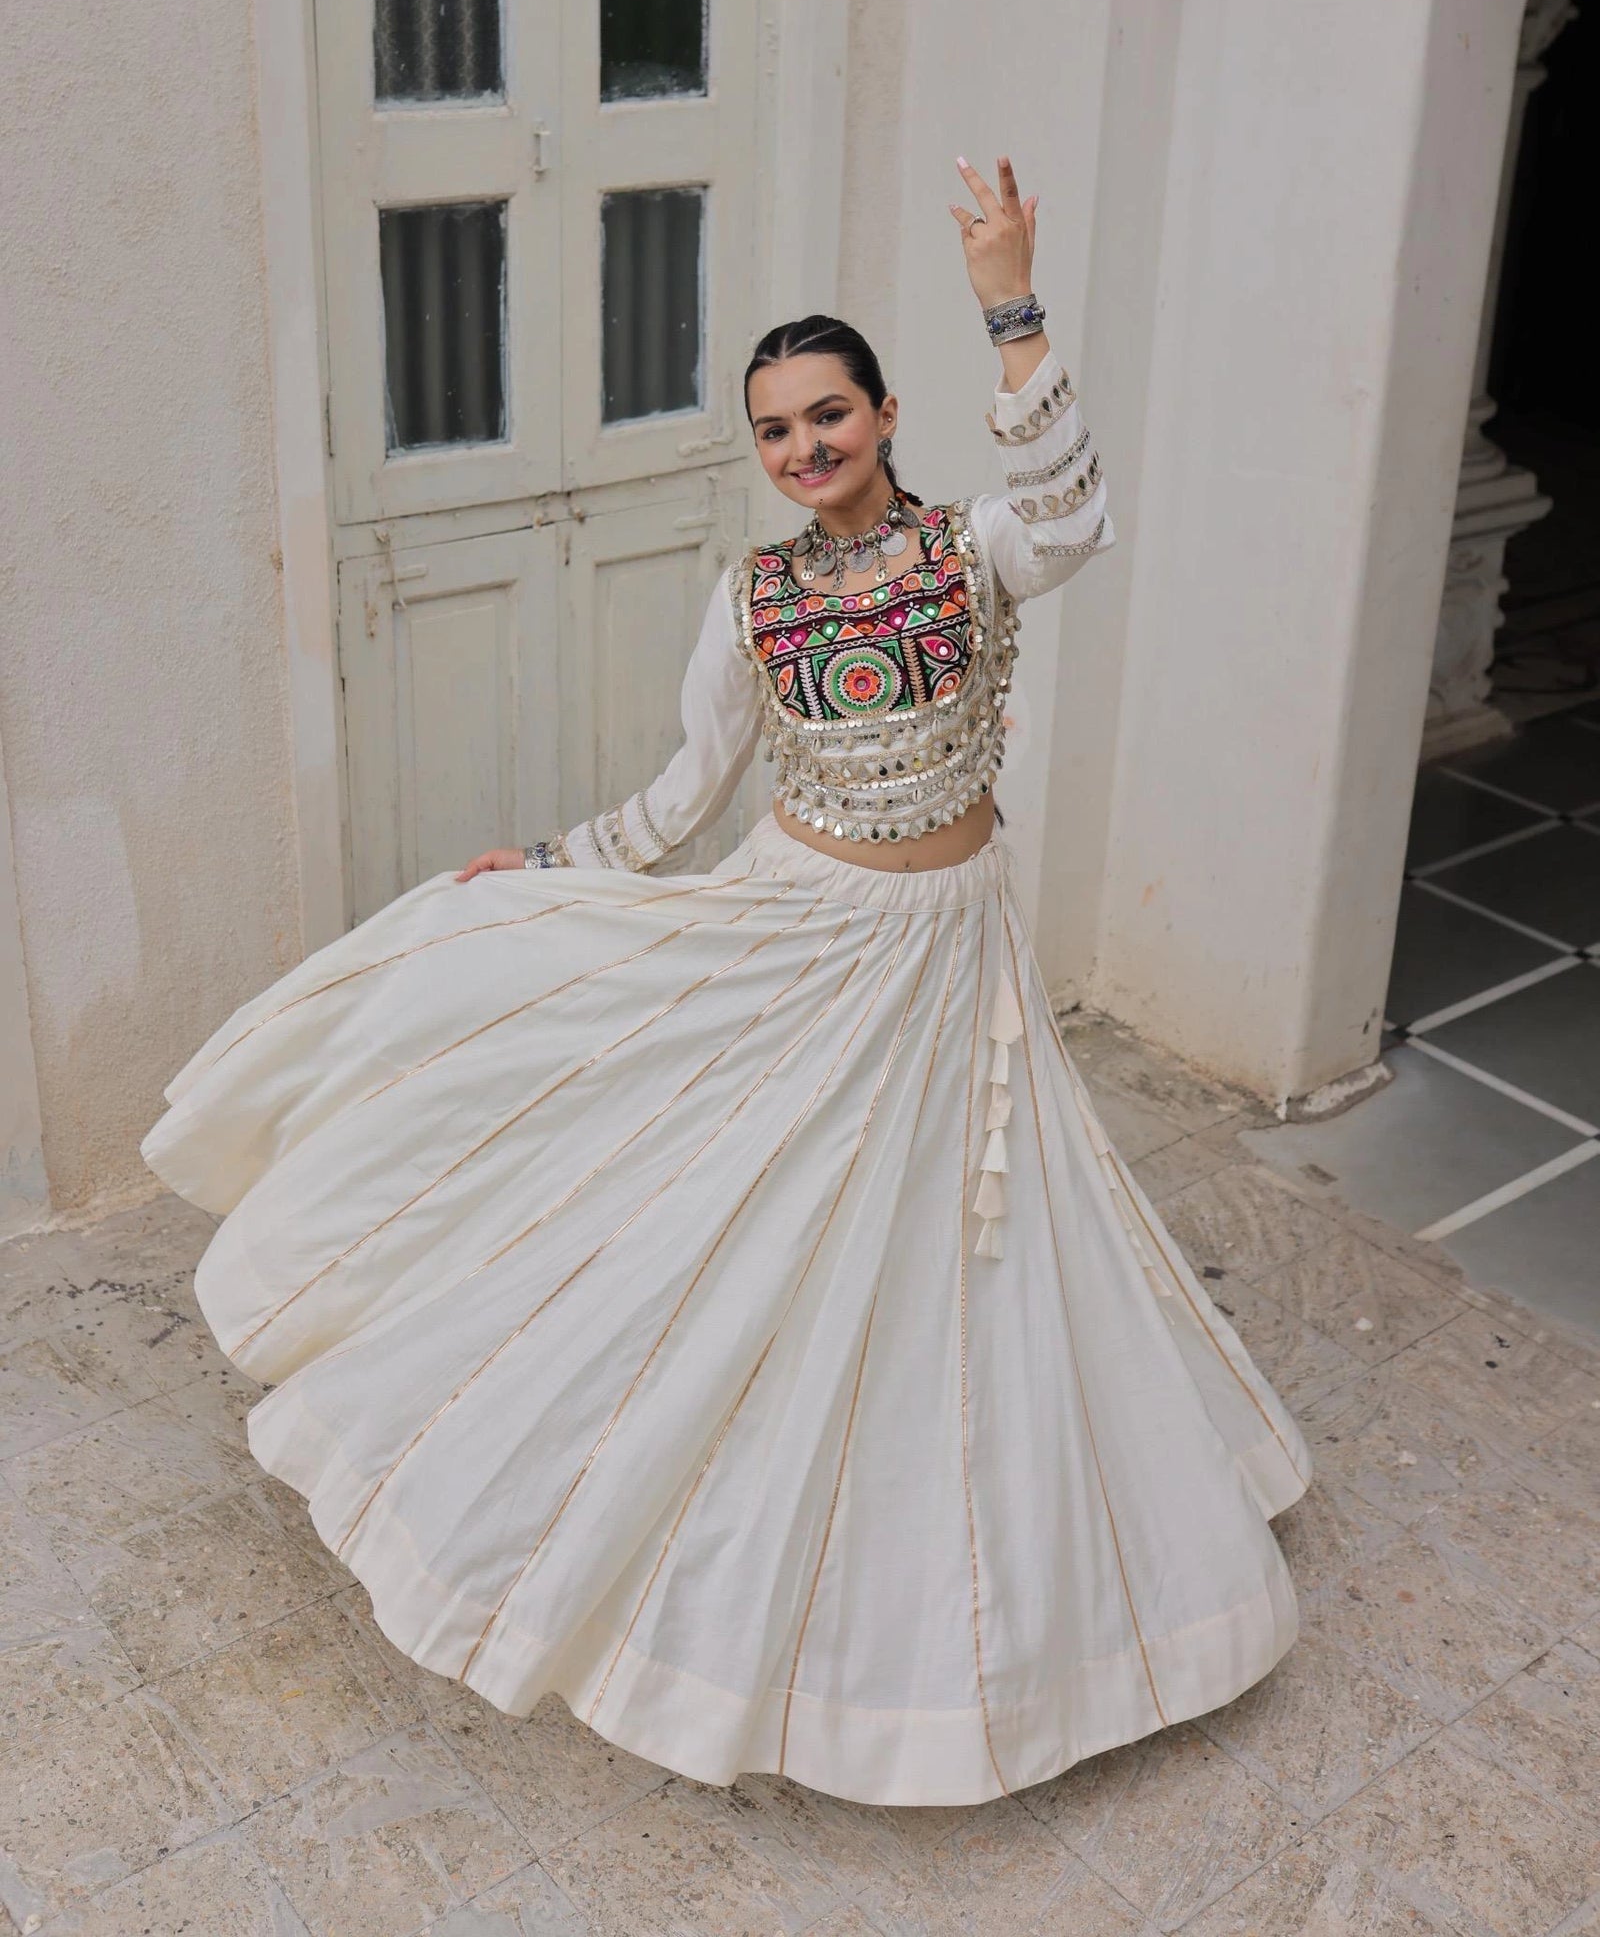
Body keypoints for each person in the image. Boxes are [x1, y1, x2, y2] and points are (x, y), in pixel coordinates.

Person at [142, 154, 1311, 1809]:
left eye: (828, 416)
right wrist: (546, 870)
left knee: (968, 1241)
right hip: (801, 933)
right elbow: (687, 796)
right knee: (750, 1234)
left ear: (887, 413)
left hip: (948, 947)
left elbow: (1076, 514)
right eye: (774, 429)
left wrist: (1011, 297)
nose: (803, 449)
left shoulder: (974, 549)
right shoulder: (755, 598)